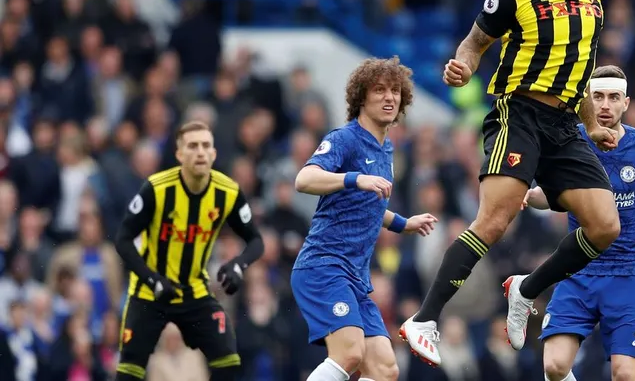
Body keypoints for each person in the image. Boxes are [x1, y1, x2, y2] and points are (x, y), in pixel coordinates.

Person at [401, 0, 622, 366]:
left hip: (563, 125)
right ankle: (424, 318)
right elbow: (474, 43)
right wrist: (462, 67)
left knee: (605, 225)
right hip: (517, 113)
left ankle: (526, 287)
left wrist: (593, 125)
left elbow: (579, 70)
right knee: (495, 220)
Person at [522, 66, 635, 381]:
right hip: (578, 270)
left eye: (613, 98)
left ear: (626, 103)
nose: (605, 105)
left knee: (623, 373)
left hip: (626, 273)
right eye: (598, 97)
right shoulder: (569, 141)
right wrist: (524, 196)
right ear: (586, 102)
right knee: (554, 366)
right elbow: (549, 195)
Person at [290, 56, 438, 381]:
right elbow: (305, 179)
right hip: (324, 267)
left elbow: (366, 205)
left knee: (385, 368)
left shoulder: (386, 149)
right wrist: (354, 178)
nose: (390, 97)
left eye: (396, 91)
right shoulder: (345, 138)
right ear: (361, 96)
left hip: (356, 277)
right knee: (350, 352)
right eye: (380, 90)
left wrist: (403, 223)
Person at [113, 120, 264, 381]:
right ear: (179, 154)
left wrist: (238, 264)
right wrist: (153, 278)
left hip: (194, 291)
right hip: (149, 292)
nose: (200, 152)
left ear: (214, 154)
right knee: (129, 371)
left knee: (228, 361)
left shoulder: (227, 192)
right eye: (192, 146)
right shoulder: (157, 189)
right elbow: (123, 240)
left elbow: (256, 241)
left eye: (206, 146)